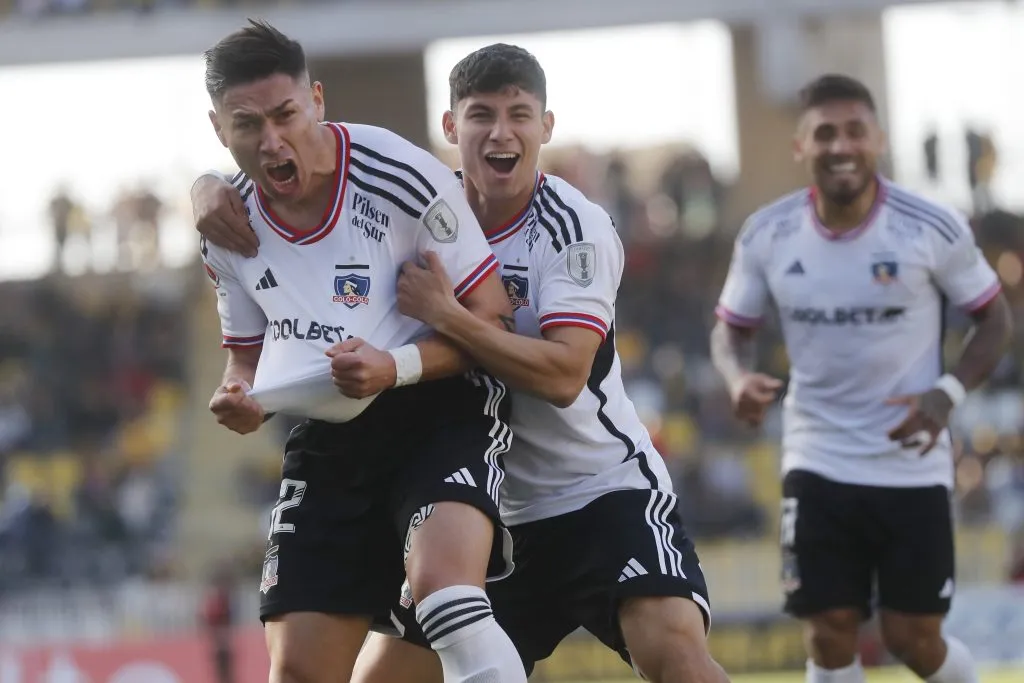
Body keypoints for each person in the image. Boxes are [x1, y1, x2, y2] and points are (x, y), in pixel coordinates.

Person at [193, 44, 729, 683]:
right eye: (481, 116)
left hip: (592, 491)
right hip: (486, 506)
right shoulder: (416, 205)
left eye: (519, 116)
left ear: (545, 129)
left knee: (675, 656)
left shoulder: (572, 227)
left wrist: (447, 316)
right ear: (451, 129)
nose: (500, 133)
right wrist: (206, 188)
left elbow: (564, 378)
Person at [197, 20, 527, 683]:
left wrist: (394, 367)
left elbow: (494, 317)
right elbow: (245, 354)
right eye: (247, 124)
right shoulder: (224, 226)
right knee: (296, 669)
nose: (272, 139)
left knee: (448, 596)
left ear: (316, 100)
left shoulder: (397, 173)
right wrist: (239, 392)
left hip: (439, 410)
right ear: (217, 129)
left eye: (286, 114)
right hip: (330, 433)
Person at [710, 74, 1012, 683]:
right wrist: (737, 376)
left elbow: (995, 318)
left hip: (911, 459)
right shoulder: (767, 233)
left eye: (854, 131)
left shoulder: (931, 225)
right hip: (817, 455)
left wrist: (946, 394)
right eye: (824, 133)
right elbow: (730, 328)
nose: (840, 145)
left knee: (912, 638)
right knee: (828, 630)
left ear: (878, 140)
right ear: (801, 146)